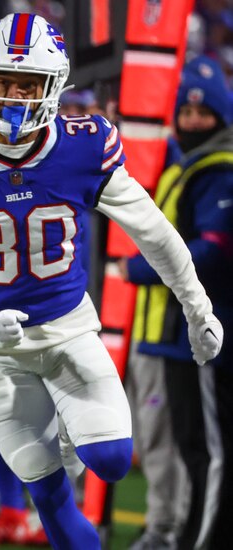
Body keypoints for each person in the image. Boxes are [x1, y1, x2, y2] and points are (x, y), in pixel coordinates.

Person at [0, 13, 223, 549]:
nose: (15, 97)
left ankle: (76, 438)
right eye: (5, 82)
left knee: (113, 460)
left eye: (29, 85)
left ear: (53, 89)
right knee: (49, 494)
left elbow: (155, 233)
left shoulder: (82, 145)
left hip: (71, 332)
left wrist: (197, 306)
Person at [121, 56, 233, 550]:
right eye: (185, 113)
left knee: (203, 449)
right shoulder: (184, 161)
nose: (191, 122)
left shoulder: (220, 168)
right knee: (174, 444)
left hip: (200, 329)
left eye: (202, 114)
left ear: (221, 117)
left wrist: (140, 269)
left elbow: (213, 249)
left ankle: (188, 535)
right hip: (165, 329)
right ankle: (184, 532)